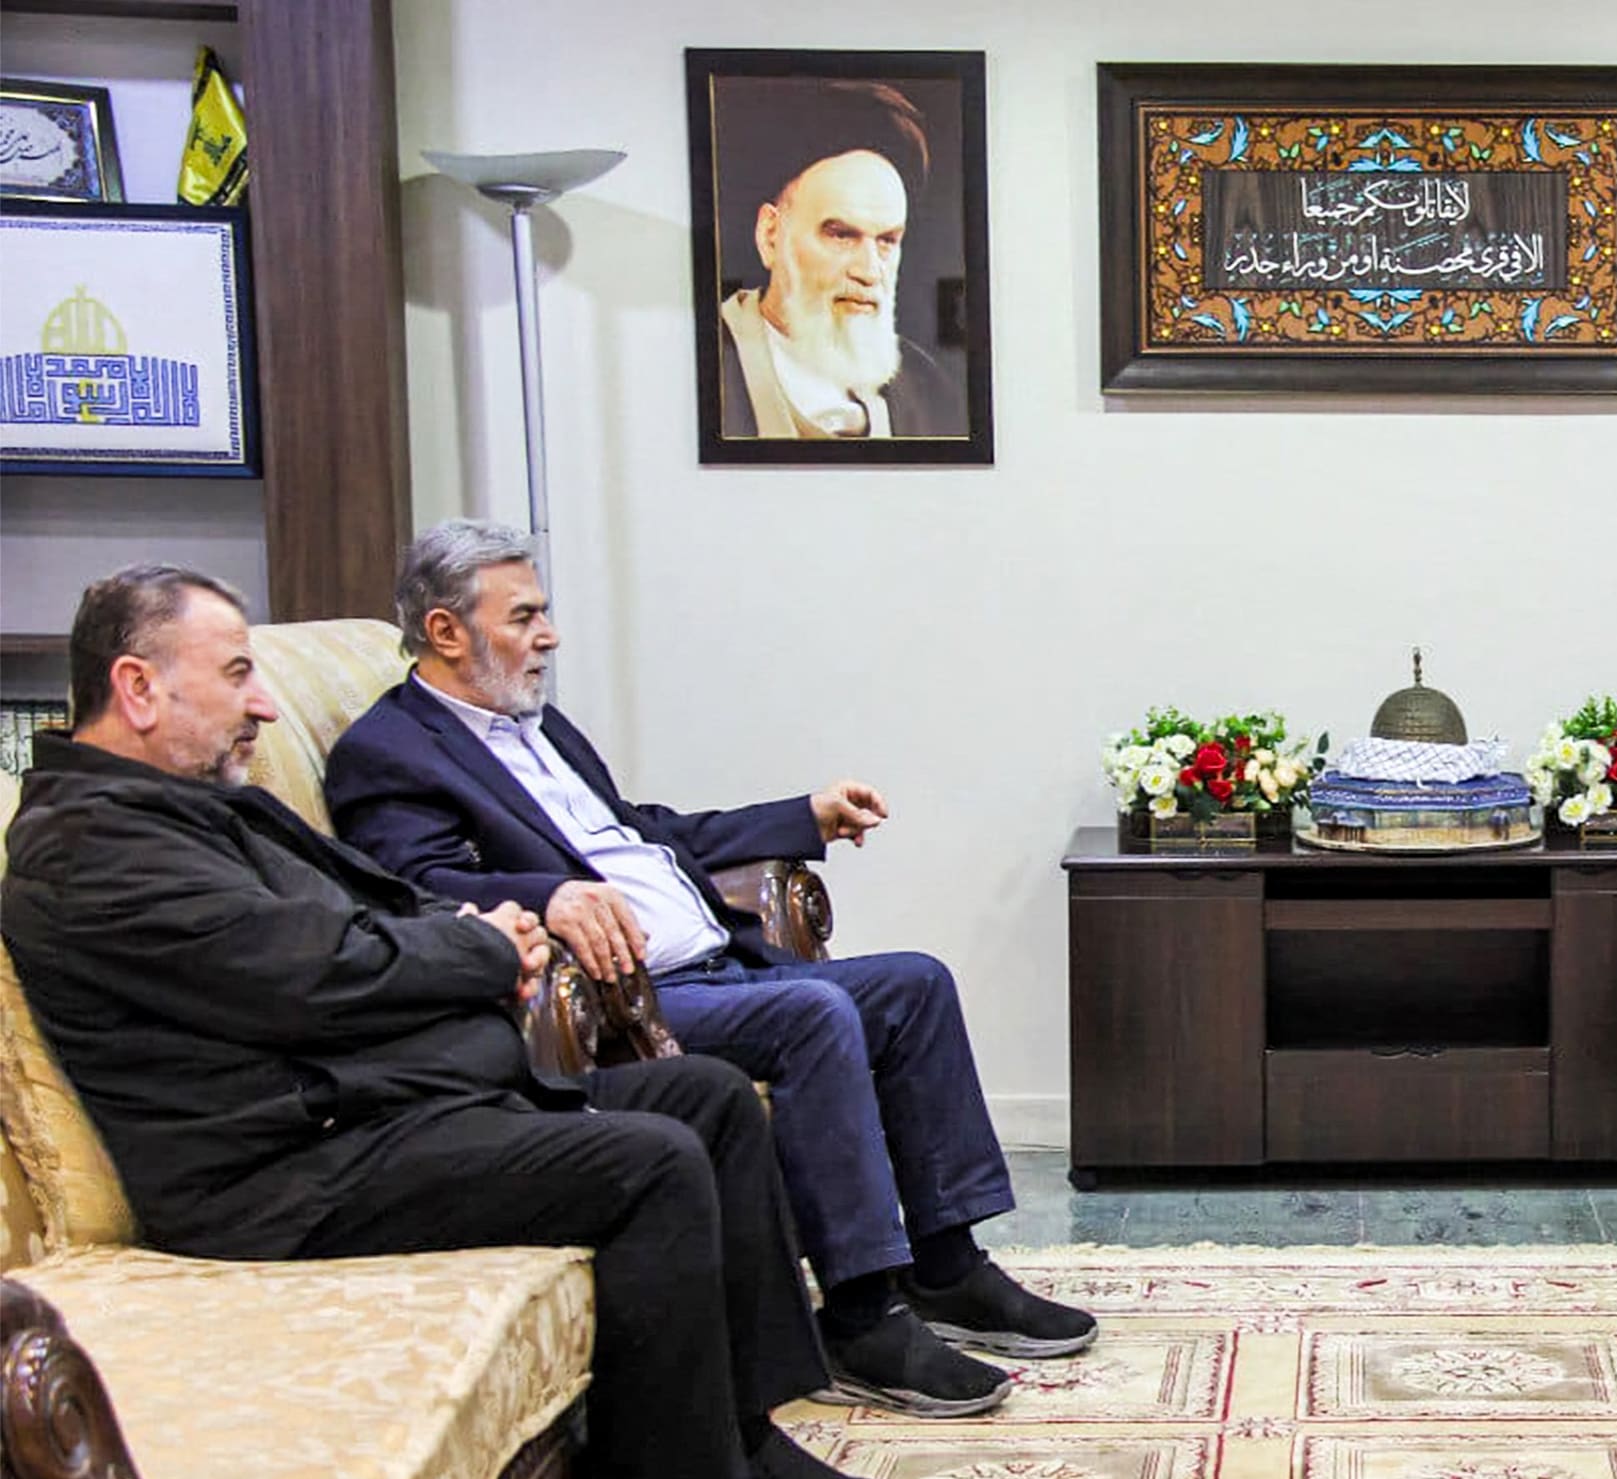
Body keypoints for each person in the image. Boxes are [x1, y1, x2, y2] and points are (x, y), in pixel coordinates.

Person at [1, 566, 910, 1479]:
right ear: (138, 688)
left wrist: (475, 934)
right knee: (651, 1163)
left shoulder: (182, 804)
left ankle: (740, 1445)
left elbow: (368, 907)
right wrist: (483, 950)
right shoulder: (91, 848)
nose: (264, 703)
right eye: (238, 673)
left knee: (704, 1095)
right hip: (283, 1177)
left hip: (370, 1118)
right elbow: (312, 975)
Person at [324, 519, 1096, 1422]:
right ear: (446, 630)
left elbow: (645, 833)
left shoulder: (540, 727)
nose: (549, 635)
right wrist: (548, 895)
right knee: (813, 1014)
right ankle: (858, 1316)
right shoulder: (390, 751)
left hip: (718, 964)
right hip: (627, 1000)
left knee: (914, 985)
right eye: (524, 615)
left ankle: (948, 1266)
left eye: (545, 612)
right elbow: (412, 887)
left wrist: (801, 815)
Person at [713, 78, 966, 439]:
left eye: (887, 241)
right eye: (841, 235)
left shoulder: (928, 388)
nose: (869, 272)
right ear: (770, 235)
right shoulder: (708, 364)